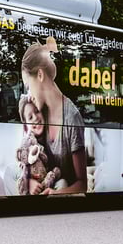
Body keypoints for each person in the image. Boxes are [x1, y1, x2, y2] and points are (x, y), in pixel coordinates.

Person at [20, 36, 87, 194]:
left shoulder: (71, 117)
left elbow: (82, 184)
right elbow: (26, 153)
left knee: (62, 184)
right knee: (10, 172)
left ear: (40, 76)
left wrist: (55, 193)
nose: (29, 93)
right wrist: (28, 182)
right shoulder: (39, 112)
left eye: (29, 86)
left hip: (60, 186)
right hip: (43, 180)